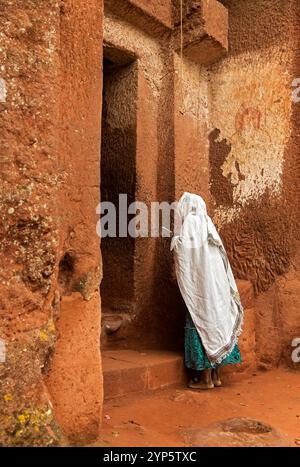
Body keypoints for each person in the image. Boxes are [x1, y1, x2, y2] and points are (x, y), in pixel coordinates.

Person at [171, 193, 243, 389]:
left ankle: (205, 379)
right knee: (216, 325)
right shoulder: (207, 222)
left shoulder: (191, 223)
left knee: (200, 325)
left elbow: (186, 257)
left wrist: (175, 243)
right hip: (217, 287)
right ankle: (216, 376)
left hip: (201, 288)